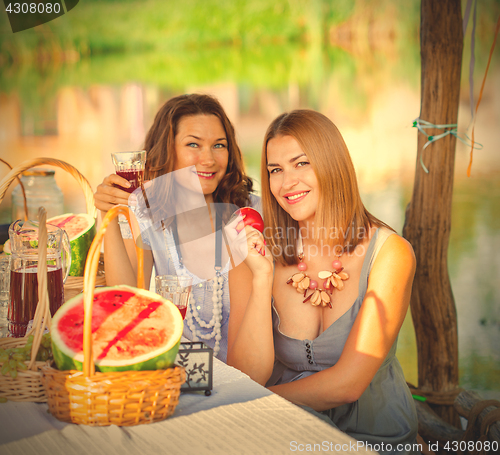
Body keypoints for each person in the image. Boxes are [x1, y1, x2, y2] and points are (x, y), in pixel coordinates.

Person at [227, 110, 418, 453]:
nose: (287, 183)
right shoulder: (255, 252)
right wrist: (262, 279)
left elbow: (348, 385)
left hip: (373, 440)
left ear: (332, 163)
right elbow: (246, 376)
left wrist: (254, 404)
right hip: (282, 436)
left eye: (301, 163)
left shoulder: (390, 255)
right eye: (275, 170)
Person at [94, 94, 260, 362]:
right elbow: (126, 298)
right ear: (166, 151)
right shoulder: (148, 213)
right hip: (173, 378)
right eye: (193, 144)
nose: (208, 159)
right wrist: (109, 216)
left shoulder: (251, 213)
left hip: (243, 377)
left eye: (219, 145)